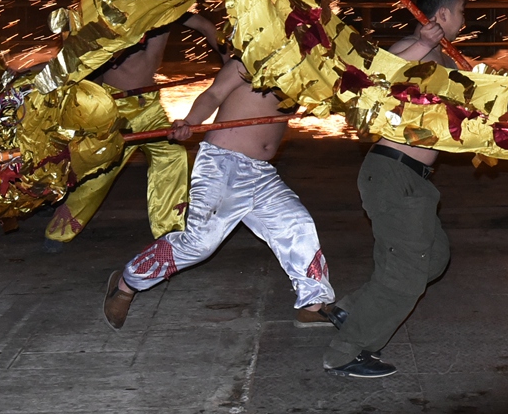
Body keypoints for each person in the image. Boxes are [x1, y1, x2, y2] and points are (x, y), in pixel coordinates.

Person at [102, 58, 336, 330]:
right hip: (223, 166)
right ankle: (126, 283)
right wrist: (189, 121)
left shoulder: (303, 66)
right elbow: (213, 94)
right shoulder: (250, 58)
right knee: (199, 244)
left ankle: (313, 304)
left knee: (296, 224)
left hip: (261, 172)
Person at [321, 0, 466, 378]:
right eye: (461, 11)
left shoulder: (447, 59)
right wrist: (422, 42)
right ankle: (346, 351)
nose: (463, 19)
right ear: (442, 15)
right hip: (393, 174)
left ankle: (350, 308)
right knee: (404, 277)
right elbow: (376, 72)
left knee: (432, 258)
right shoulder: (413, 48)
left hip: (414, 180)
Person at [43, 12, 224, 251]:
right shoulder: (116, 11)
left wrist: (229, 57)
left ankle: (169, 232)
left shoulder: (168, 10)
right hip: (114, 108)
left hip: (149, 105)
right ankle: (60, 232)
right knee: (102, 169)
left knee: (173, 156)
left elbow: (205, 25)